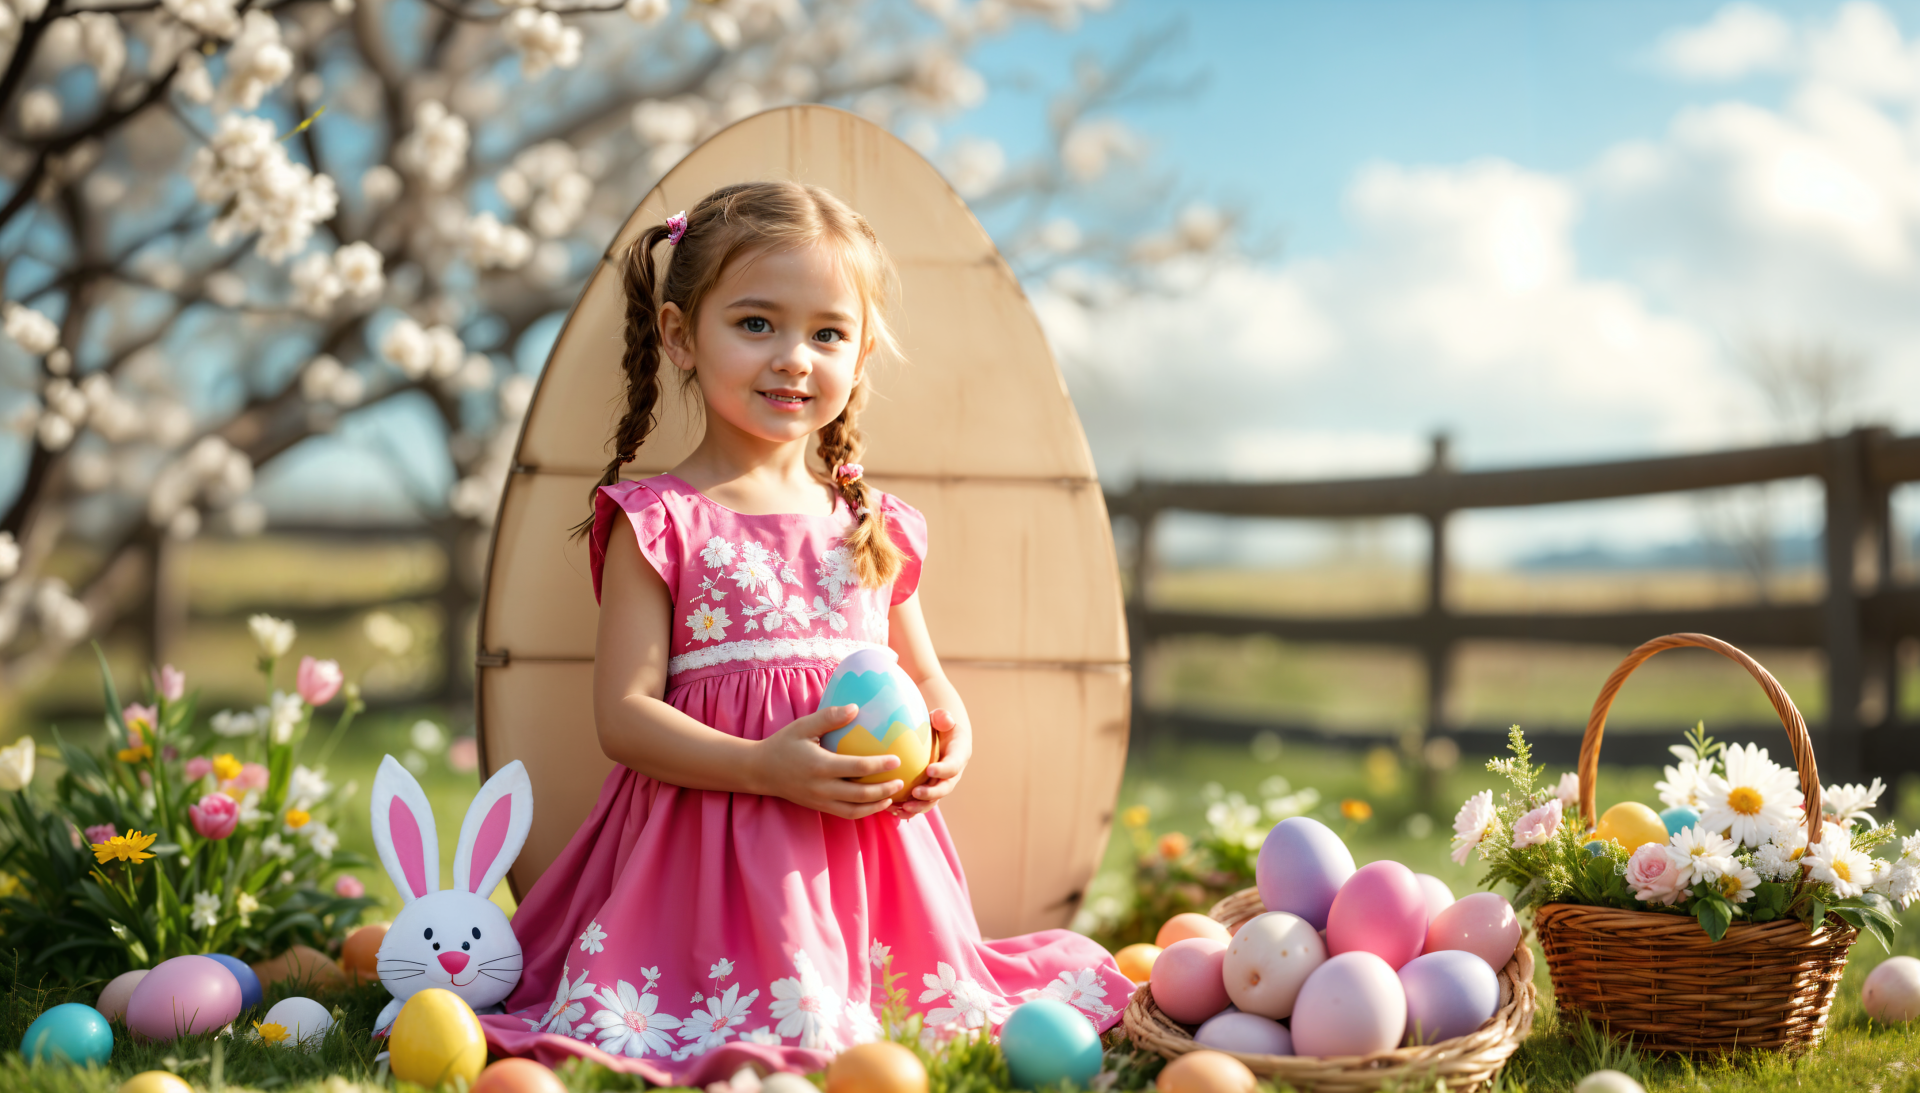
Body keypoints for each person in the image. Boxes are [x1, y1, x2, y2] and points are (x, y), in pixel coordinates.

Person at [479, 181, 1129, 1084]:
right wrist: (762, 766)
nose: (793, 358)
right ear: (679, 336)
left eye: (828, 333)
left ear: (861, 357)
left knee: (894, 1008)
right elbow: (623, 716)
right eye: (756, 323)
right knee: (755, 1002)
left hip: (860, 854)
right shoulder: (660, 519)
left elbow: (924, 677)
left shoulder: (870, 523)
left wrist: (950, 734)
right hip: (709, 846)